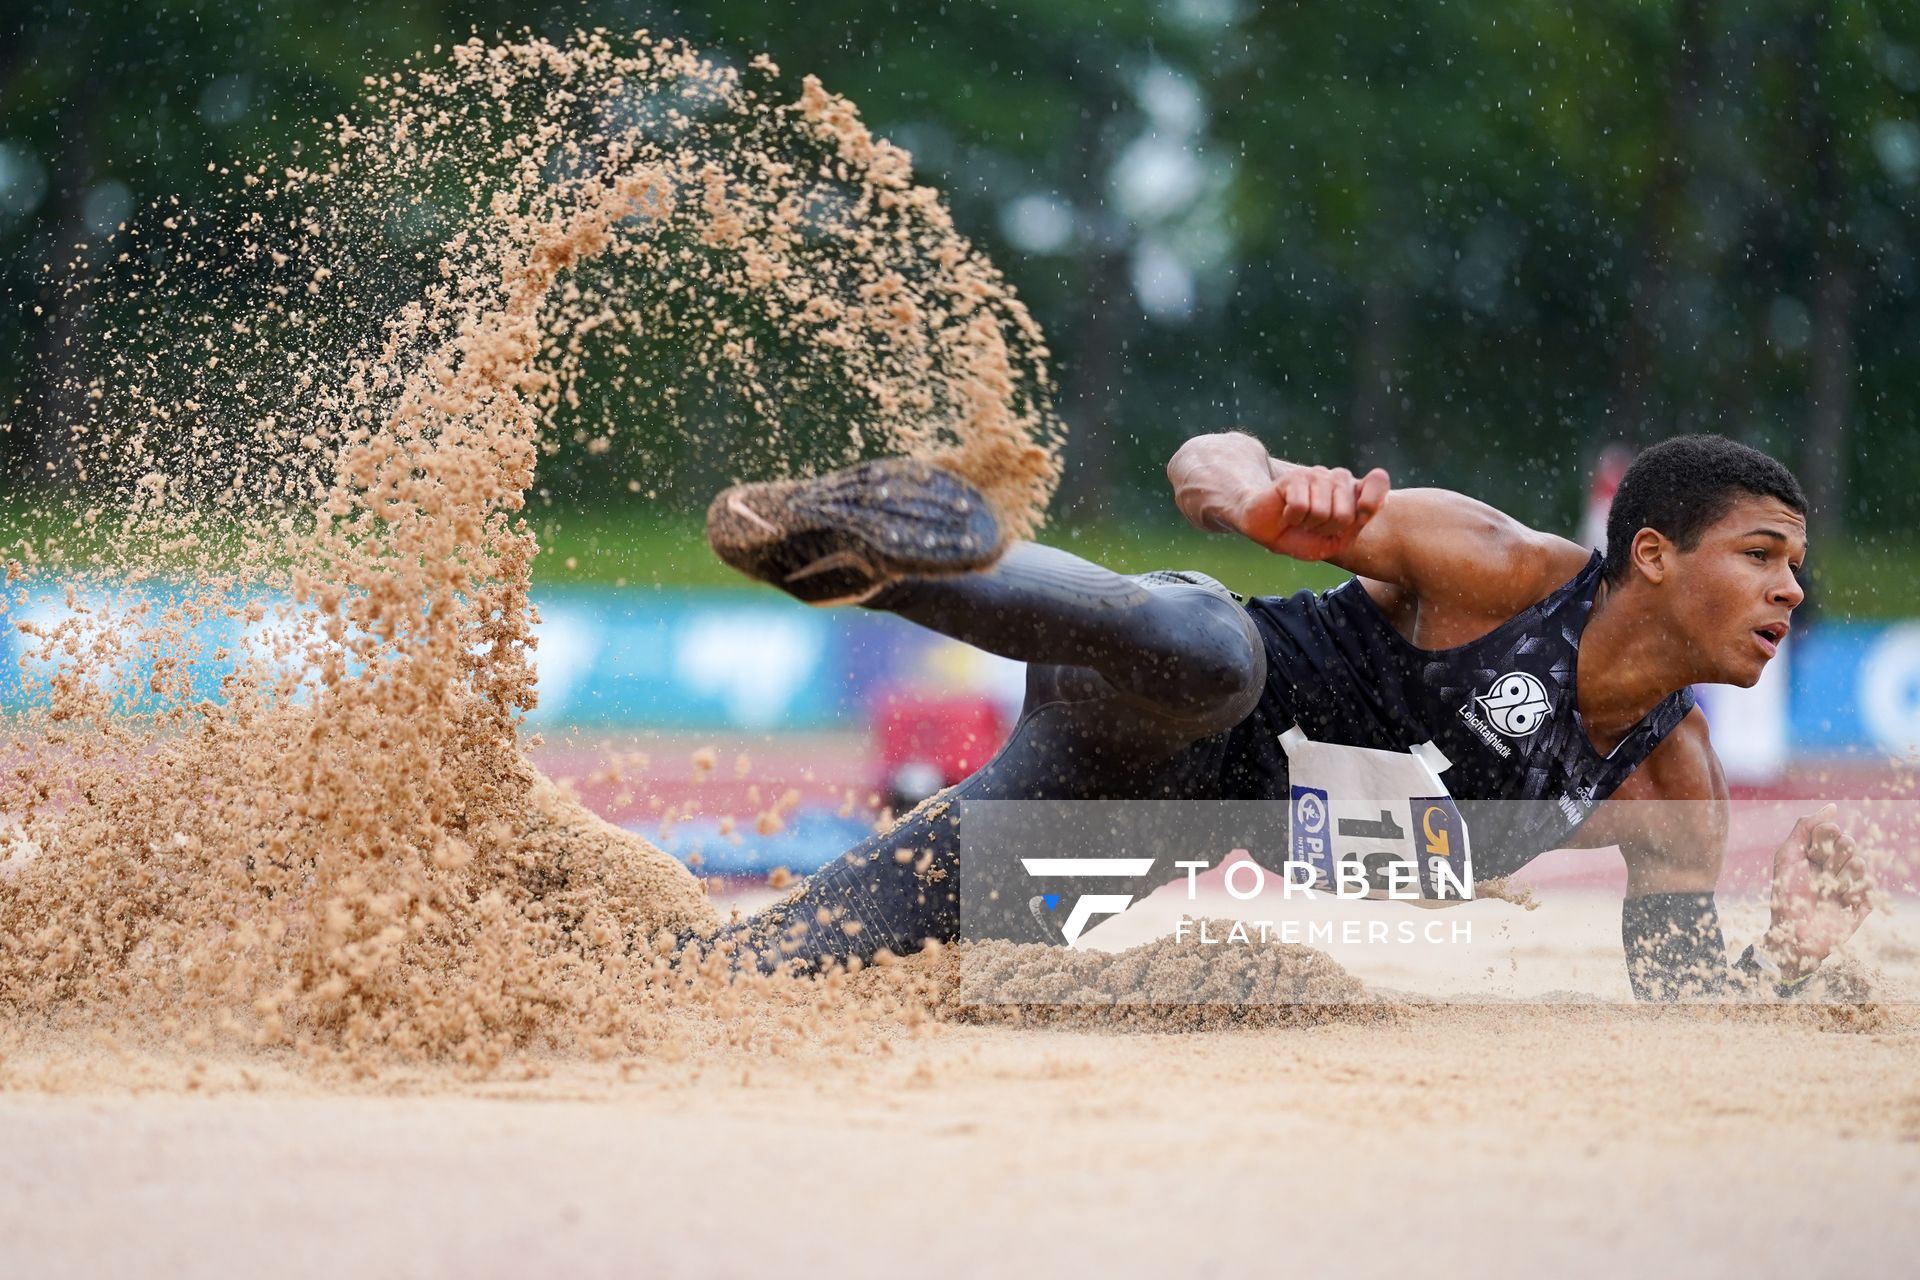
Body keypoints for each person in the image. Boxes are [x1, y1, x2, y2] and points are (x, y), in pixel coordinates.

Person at [693, 433, 1873, 999]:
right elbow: (1203, 461)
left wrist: (1791, 961)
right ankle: (865, 545)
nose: (1790, 590)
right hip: (1156, 678)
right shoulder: (1498, 567)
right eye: (1763, 554)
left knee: (762, 975)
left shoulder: (1672, 790)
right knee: (1212, 655)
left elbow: (1685, 1000)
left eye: (1798, 565)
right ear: (1653, 553)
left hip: (1127, 825)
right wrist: (1268, 498)